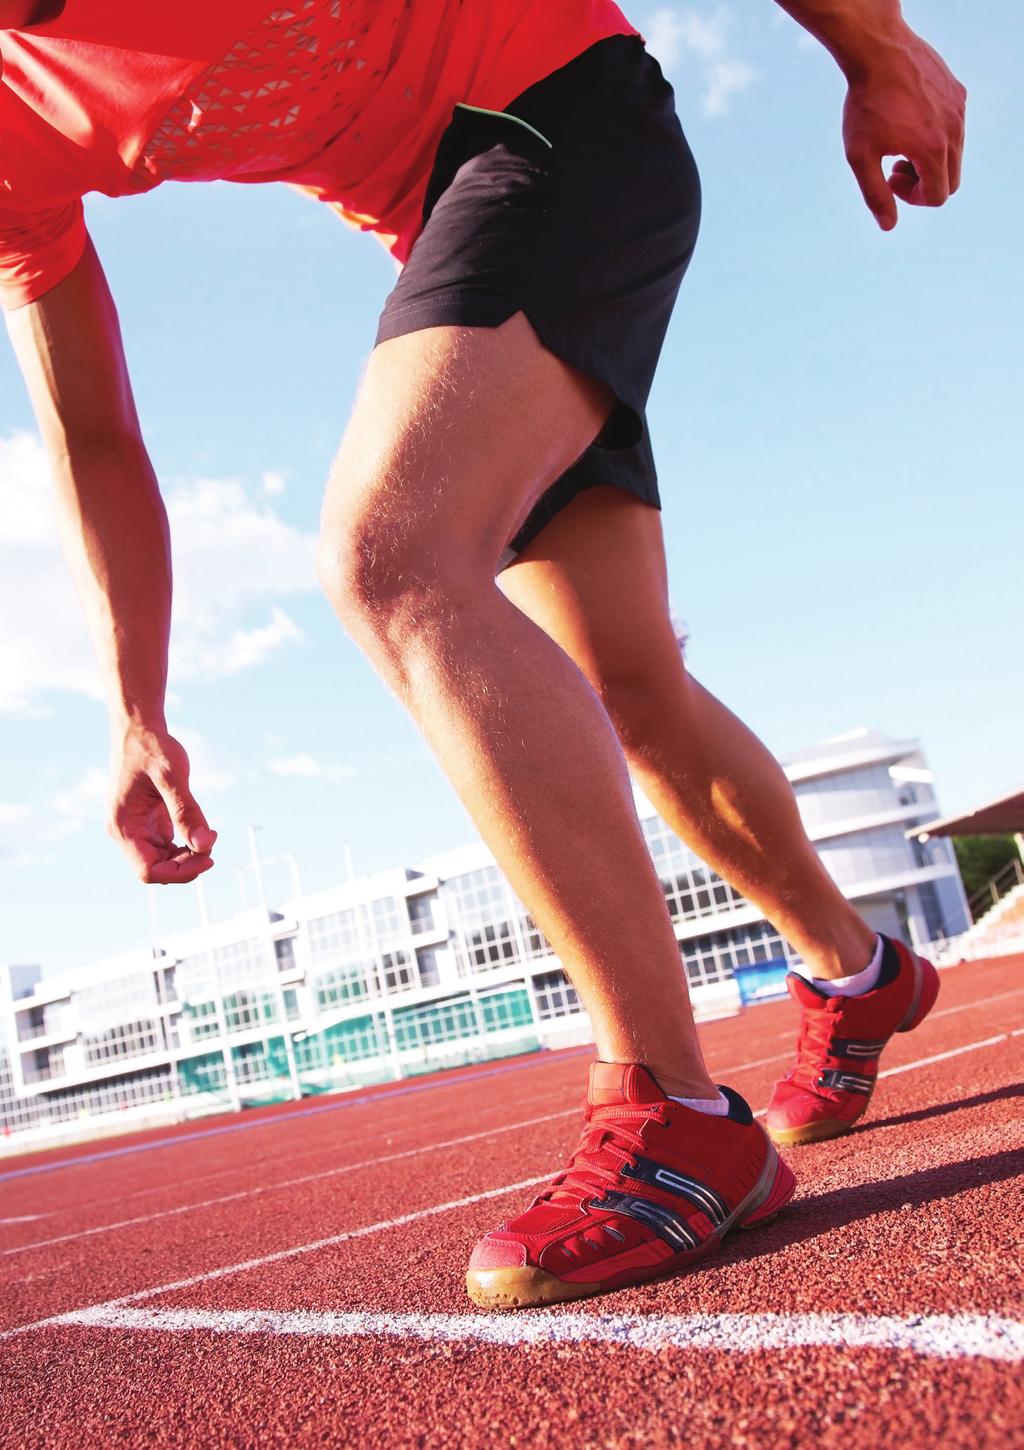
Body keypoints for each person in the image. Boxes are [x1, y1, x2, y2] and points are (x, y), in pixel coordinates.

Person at [1, 0, 965, 1309]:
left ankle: (675, 1112)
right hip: (460, 218)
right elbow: (92, 436)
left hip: (567, 115)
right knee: (627, 683)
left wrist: (876, 48)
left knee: (391, 552)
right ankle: (855, 970)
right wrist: (136, 707)